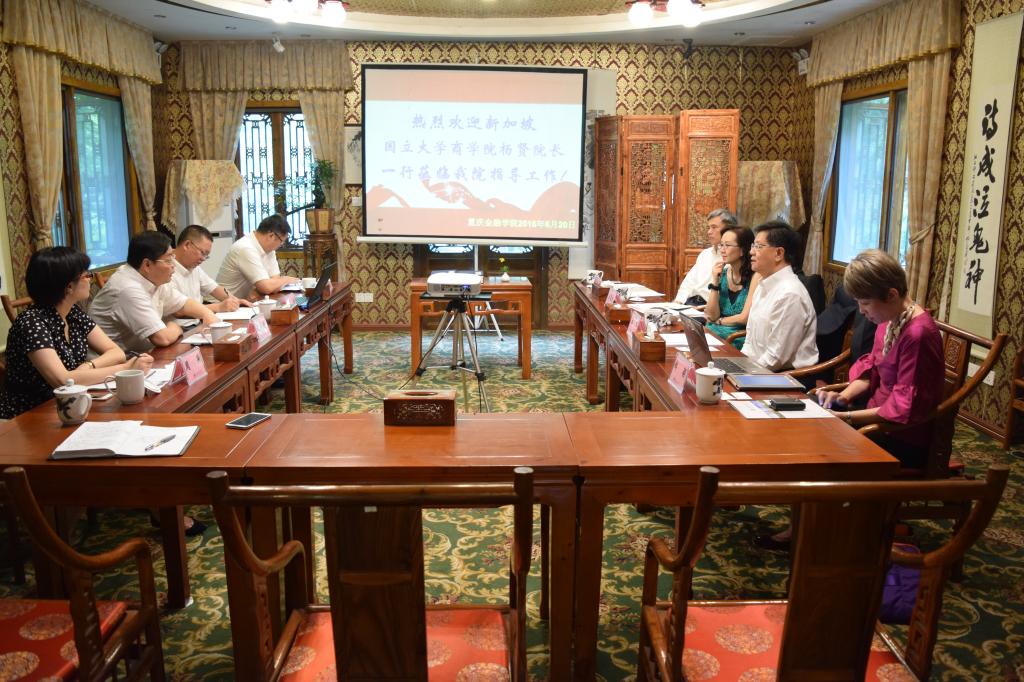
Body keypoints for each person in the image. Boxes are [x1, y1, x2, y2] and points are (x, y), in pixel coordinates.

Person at [817, 249, 944, 469]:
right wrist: (842, 398)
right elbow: (872, 370)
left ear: (892, 295)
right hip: (873, 416)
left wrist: (847, 417)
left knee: (819, 442)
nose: (861, 311)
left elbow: (904, 407)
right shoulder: (889, 319)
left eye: (865, 303)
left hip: (897, 434)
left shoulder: (918, 335)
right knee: (809, 411)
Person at [0, 247, 153, 419]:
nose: (90, 279)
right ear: (69, 286)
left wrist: (88, 366)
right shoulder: (31, 323)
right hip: (28, 416)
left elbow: (116, 352)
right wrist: (125, 369)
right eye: (86, 275)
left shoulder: (72, 313)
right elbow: (62, 381)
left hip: (69, 407)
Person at [90, 231, 218, 352]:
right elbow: (162, 338)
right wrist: (176, 327)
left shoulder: (152, 278)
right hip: (117, 361)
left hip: (141, 353)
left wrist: (206, 314)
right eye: (168, 260)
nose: (173, 265)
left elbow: (183, 303)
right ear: (147, 265)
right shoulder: (128, 289)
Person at [741, 221, 818, 370]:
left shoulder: (790, 294)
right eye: (753, 245)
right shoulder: (763, 284)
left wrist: (745, 374)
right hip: (757, 368)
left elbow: (775, 358)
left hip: (784, 375)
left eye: (758, 246)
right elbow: (750, 342)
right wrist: (739, 364)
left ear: (778, 253)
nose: (751, 252)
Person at [169, 224, 250, 314]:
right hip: (182, 322)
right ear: (187, 245)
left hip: (199, 319)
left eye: (206, 256)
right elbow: (177, 311)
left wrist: (235, 301)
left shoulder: (194, 267)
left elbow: (214, 288)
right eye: (203, 253)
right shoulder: (166, 269)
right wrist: (218, 307)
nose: (203, 259)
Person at [217, 214, 301, 299]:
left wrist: (265, 287)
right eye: (281, 241)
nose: (280, 245)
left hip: (242, 302)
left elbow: (274, 282)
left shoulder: (269, 249)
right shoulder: (246, 248)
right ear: (271, 236)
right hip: (221, 303)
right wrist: (286, 279)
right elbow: (267, 287)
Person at [703, 225, 759, 348]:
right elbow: (712, 315)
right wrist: (715, 282)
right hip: (717, 331)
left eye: (727, 245)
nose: (722, 250)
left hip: (738, 337)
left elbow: (744, 318)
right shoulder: (724, 272)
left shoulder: (756, 276)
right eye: (721, 245)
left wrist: (720, 321)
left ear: (742, 250)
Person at [673, 208, 738, 305]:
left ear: (728, 230)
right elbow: (689, 282)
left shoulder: (733, 258)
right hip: (690, 303)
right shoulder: (705, 254)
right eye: (709, 227)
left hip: (709, 307)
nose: (709, 232)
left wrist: (707, 308)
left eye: (714, 227)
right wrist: (678, 302)